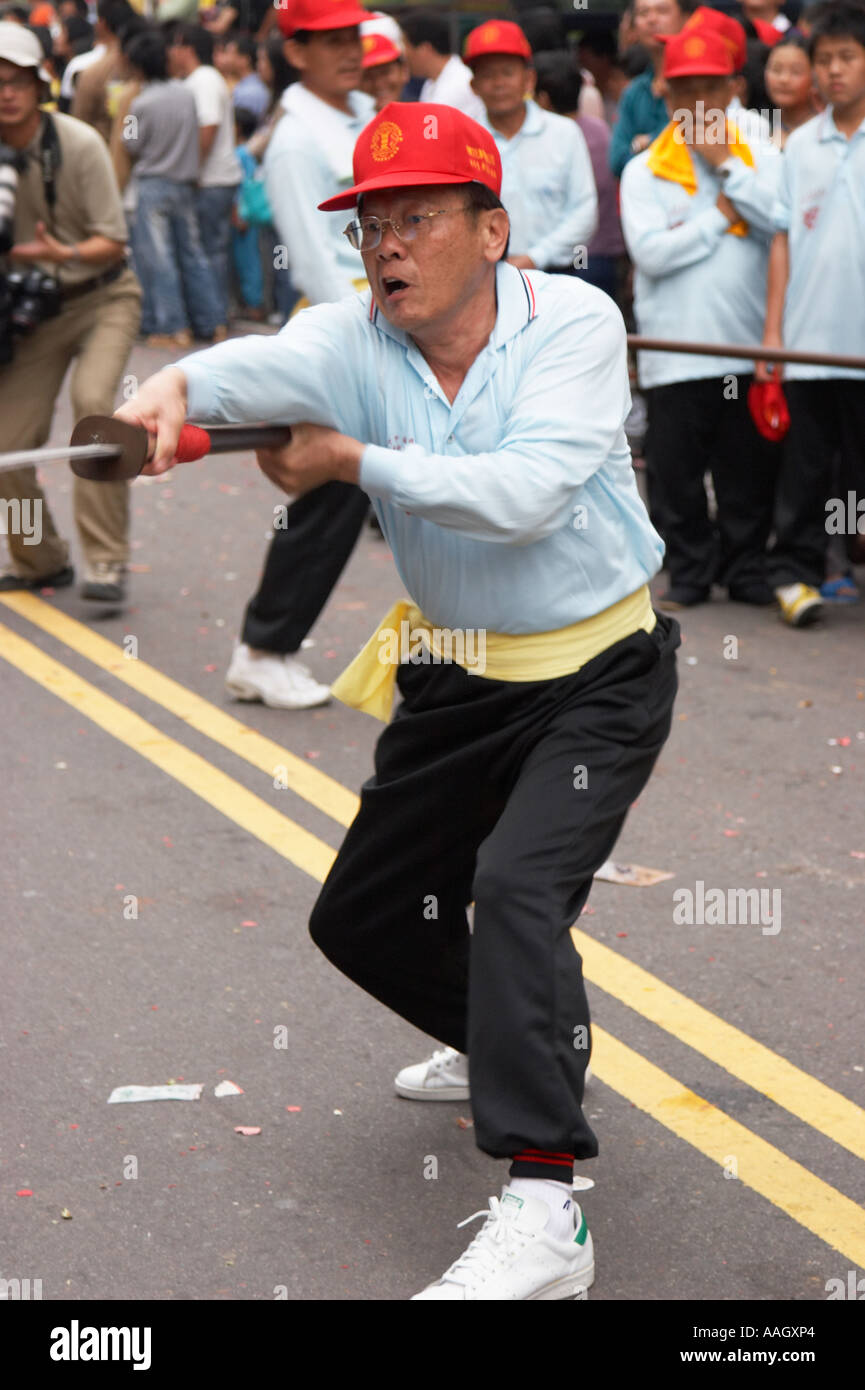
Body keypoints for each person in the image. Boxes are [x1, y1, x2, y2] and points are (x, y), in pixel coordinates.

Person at [113, 97, 678, 1302]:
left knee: (516, 890)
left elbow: (523, 491)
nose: (388, 248)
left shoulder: (573, 321)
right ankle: (515, 1043)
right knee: (363, 917)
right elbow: (250, 367)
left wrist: (349, 461)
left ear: (492, 229)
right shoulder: (353, 336)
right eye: (371, 225)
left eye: (417, 219)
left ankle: (545, 1205)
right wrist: (171, 389)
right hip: (458, 671)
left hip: (596, 676)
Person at [219, 0, 374, 709]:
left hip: (393, 323)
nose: (349, 50)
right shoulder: (294, 139)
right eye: (330, 40)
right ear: (295, 52)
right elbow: (316, 265)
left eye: (354, 37)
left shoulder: (362, 110)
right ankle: (264, 646)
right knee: (331, 497)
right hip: (353, 337)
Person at [620, 26, 783, 609]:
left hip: (746, 345)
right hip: (673, 350)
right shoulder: (644, 169)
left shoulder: (761, 149)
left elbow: (779, 221)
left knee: (748, 471)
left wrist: (729, 171)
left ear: (735, 87)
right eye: (681, 92)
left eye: (708, 90)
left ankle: (746, 570)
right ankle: (689, 571)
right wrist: (719, 216)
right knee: (676, 475)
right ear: (664, 93)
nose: (695, 107)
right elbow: (652, 256)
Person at [0, 20, 141, 600]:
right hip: (35, 311)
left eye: (16, 81)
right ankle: (40, 561)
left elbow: (116, 240)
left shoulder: (79, 142)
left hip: (104, 295)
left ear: (40, 86)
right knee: (9, 447)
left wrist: (63, 252)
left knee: (93, 412)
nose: (5, 93)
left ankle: (106, 562)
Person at [759, 0, 865, 626]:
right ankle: (795, 574)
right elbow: (780, 240)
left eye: (848, 58)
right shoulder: (799, 146)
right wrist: (773, 335)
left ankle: (845, 565)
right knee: (804, 465)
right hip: (809, 342)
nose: (835, 71)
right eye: (825, 60)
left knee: (858, 470)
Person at [465, 20, 597, 274]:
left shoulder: (564, 133)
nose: (498, 83)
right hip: (486, 275)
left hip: (559, 274)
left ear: (529, 79)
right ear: (474, 86)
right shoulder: (466, 140)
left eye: (507, 72)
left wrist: (535, 258)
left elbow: (584, 211)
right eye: (488, 75)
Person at [123, 27, 220, 348]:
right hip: (185, 182)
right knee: (193, 254)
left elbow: (130, 143)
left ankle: (172, 327)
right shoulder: (185, 93)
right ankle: (212, 321)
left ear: (138, 66)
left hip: (153, 185)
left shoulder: (140, 103)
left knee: (159, 259)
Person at [533, 48, 626, 300]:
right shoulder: (599, 129)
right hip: (604, 254)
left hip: (569, 259)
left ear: (542, 98)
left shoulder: (549, 139)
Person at [168, 23, 241, 339]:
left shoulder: (203, 80)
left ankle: (213, 320)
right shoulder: (208, 79)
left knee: (206, 250)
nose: (171, 53)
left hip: (211, 181)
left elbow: (207, 127)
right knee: (214, 250)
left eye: (175, 46)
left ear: (186, 46)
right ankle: (217, 316)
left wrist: (193, 171)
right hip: (220, 178)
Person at [610, 0, 696, 176]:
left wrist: (645, 142)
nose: (651, 19)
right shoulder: (633, 92)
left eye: (662, 11)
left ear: (686, 18)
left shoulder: (701, 85)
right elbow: (617, 161)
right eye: (643, 13)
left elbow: (699, 144)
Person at [400, 7, 485, 122]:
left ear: (424, 50)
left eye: (405, 46)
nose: (403, 54)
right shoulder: (432, 82)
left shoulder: (459, 84)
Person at [71, 0, 134, 141]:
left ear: (102, 24)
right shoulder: (141, 65)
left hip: (103, 152)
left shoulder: (89, 69)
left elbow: (79, 124)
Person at [764, 30, 819, 143]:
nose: (784, 79)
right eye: (776, 70)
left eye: (796, 72)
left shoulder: (824, 129)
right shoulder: (756, 127)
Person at [578, 26, 633, 125]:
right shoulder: (582, 93)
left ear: (604, 58)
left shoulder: (625, 92)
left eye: (585, 62)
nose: (583, 68)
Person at [359, 29, 407, 111]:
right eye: (368, 76)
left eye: (385, 73)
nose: (378, 84)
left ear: (404, 71)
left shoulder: (425, 116)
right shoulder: (341, 122)